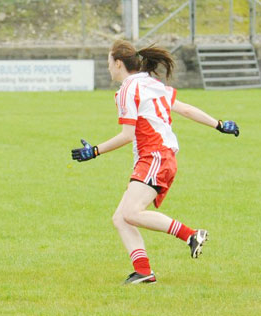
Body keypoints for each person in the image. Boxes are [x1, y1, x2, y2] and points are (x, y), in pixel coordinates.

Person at [71, 40, 239, 284]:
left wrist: (95, 151)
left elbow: (127, 136)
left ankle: (191, 234)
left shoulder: (128, 89)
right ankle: (143, 271)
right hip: (161, 157)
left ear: (118, 63)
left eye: (108, 62)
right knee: (121, 217)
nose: (108, 67)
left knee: (130, 212)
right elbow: (186, 109)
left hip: (155, 157)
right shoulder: (151, 83)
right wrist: (219, 124)